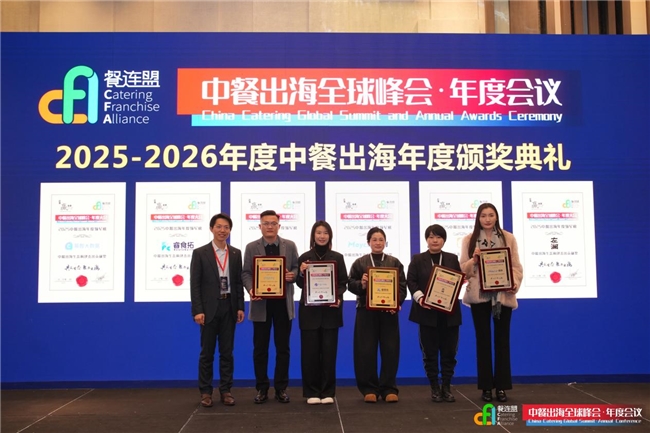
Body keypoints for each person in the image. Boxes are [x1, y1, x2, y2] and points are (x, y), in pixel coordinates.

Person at [460, 203, 523, 403]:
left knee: (502, 341)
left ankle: (502, 387)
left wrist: (514, 283)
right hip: (479, 297)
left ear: (496, 217)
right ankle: (486, 387)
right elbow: (463, 270)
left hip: (503, 296)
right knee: (483, 341)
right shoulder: (469, 240)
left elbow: (516, 266)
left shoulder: (508, 238)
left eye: (491, 215)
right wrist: (473, 260)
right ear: (478, 218)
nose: (487, 219)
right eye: (483, 216)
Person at [242, 210, 299, 404]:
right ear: (260, 226)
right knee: (260, 349)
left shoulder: (289, 245)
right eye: (266, 223)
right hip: (261, 305)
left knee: (283, 348)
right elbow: (246, 273)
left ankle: (281, 388)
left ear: (279, 226)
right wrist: (251, 289)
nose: (269, 226)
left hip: (283, 305)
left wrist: (292, 275)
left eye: (273, 223)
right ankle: (262, 388)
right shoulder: (252, 247)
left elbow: (296, 268)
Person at [190, 213, 245, 408]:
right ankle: (205, 392)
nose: (223, 230)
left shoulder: (236, 253)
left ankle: (226, 390)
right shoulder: (200, 253)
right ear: (211, 228)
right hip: (208, 309)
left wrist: (240, 306)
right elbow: (195, 285)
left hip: (229, 306)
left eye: (226, 227)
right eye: (219, 227)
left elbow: (238, 283)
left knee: (227, 352)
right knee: (207, 353)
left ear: (230, 230)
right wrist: (197, 310)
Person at [348, 227, 407, 403]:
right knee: (365, 350)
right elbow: (350, 284)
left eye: (381, 239)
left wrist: (396, 303)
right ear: (368, 242)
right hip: (366, 311)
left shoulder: (394, 262)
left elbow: (402, 287)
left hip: (388, 312)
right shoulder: (359, 263)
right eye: (374, 239)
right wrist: (362, 284)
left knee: (390, 349)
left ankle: (389, 387)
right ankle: (369, 388)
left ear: (385, 242)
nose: (378, 243)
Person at [406, 224, 462, 403]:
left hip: (449, 315)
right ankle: (434, 387)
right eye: (431, 237)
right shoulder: (418, 259)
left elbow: (457, 280)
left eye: (438, 237)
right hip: (426, 314)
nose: (434, 240)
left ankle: (447, 386)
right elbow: (411, 281)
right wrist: (421, 298)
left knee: (449, 353)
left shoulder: (452, 258)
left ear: (444, 240)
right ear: (426, 240)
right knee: (429, 353)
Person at [295, 221, 348, 405]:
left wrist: (337, 298)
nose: (322, 236)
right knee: (309, 354)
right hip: (309, 313)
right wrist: (301, 273)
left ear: (330, 235)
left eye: (325, 233)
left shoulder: (338, 257)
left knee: (329, 354)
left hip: (330, 313)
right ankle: (311, 391)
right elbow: (299, 284)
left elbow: (343, 283)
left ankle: (327, 391)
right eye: (318, 232)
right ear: (313, 235)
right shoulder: (304, 257)